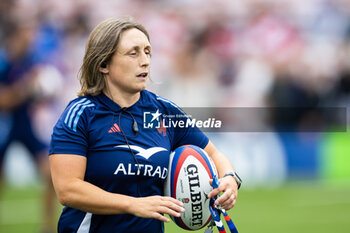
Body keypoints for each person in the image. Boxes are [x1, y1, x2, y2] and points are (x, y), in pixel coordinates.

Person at [49, 17, 241, 233]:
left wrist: (229, 179)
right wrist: (133, 204)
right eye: (134, 53)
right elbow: (67, 190)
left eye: (148, 52)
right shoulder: (81, 114)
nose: (145, 61)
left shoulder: (164, 111)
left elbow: (214, 154)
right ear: (103, 64)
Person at [0, 22, 56, 233]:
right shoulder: (3, 63)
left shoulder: (30, 61)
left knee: (49, 173)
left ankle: (47, 226)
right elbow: (3, 101)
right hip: (4, 127)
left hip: (25, 126)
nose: (31, 39)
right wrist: (27, 89)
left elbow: (40, 95)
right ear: (14, 38)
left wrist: (44, 90)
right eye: (26, 34)